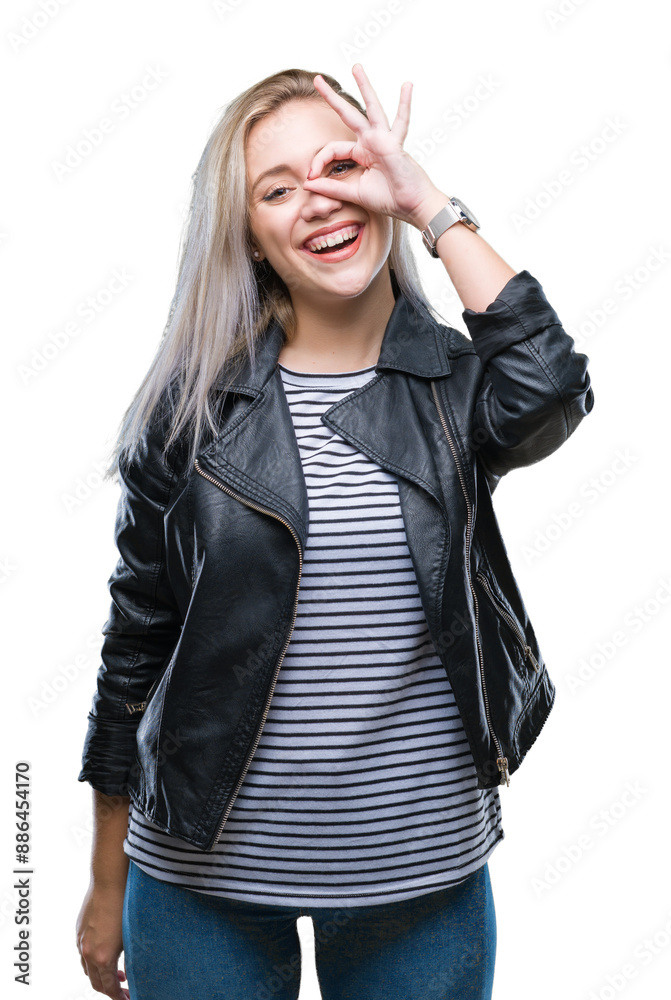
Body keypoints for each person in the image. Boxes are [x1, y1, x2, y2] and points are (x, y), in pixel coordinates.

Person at [74, 63, 593, 1000]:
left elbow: (550, 384)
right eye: (277, 190)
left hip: (422, 873)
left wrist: (425, 198)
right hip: (201, 882)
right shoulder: (187, 414)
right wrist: (106, 882)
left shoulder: (456, 387)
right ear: (251, 238)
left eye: (339, 167)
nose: (317, 201)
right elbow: (134, 646)